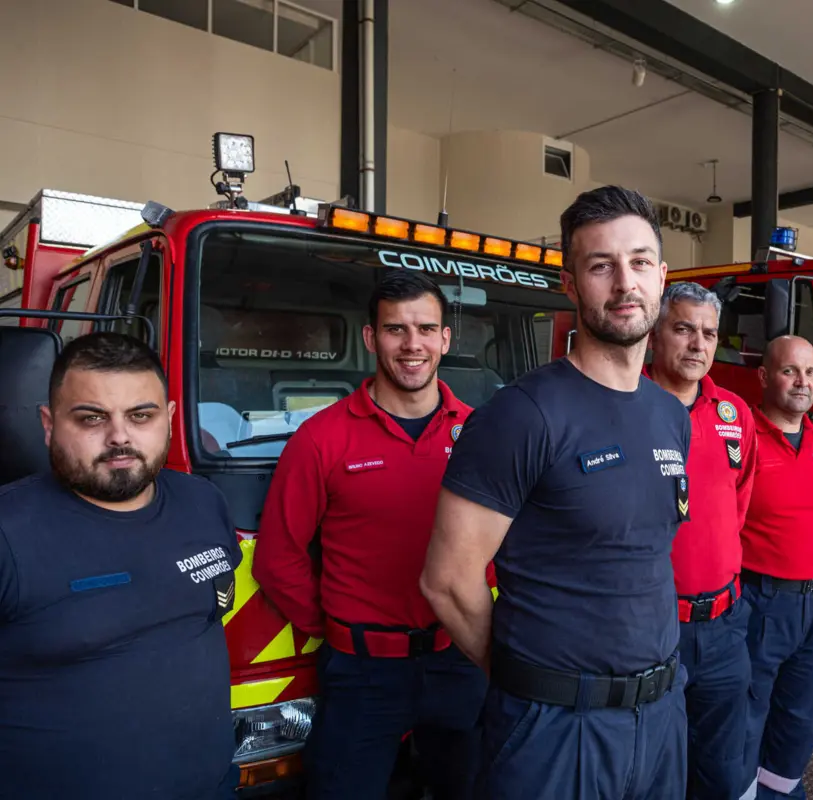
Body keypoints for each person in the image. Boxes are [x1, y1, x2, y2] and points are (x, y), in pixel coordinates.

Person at [421, 185, 691, 800]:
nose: (625, 282)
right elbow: (447, 580)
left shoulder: (670, 415)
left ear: (662, 276)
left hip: (660, 716)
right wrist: (531, 682)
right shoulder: (523, 416)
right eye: (602, 266)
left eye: (640, 262)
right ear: (571, 283)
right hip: (554, 731)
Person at [253, 271, 487, 800]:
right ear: (370, 337)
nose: (412, 345)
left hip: (460, 661)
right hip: (362, 674)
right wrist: (339, 627)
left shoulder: (478, 434)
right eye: (395, 330)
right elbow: (277, 558)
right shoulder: (322, 437)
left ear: (445, 339)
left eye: (426, 328)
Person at [0, 332, 239, 799]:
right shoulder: (9, 532)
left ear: (168, 419)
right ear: (48, 424)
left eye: (141, 415)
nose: (119, 437)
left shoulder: (203, 502)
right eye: (91, 418)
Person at [647, 281, 757, 800]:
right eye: (684, 329)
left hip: (724, 627)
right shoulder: (628, 404)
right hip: (650, 628)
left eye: (708, 334)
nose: (697, 345)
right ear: (654, 333)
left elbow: (737, 506)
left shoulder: (736, 416)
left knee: (720, 770)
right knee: (651, 769)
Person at [741, 336, 813, 800]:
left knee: (801, 714)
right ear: (765, 377)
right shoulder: (743, 435)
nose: (803, 382)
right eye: (790, 371)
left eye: (810, 373)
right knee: (747, 714)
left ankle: (782, 792)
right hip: (759, 601)